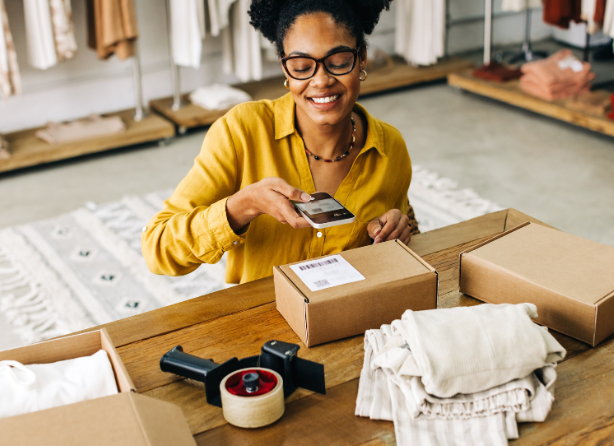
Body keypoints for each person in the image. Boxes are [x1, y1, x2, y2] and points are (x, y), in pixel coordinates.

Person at [142, 0, 419, 285]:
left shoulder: (390, 148)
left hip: (352, 317)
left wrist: (401, 229)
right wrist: (240, 207)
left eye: (338, 62)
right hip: (263, 323)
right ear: (285, 68)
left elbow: (407, 234)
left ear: (361, 59)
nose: (321, 80)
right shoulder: (242, 132)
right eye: (301, 66)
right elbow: (157, 248)